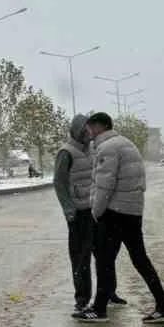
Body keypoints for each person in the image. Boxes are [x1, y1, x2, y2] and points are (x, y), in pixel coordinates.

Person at [78, 112, 164, 324]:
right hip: (132, 211)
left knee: (104, 260)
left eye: (89, 128)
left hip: (114, 214)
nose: (87, 132)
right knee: (139, 259)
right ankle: (163, 305)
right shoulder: (126, 144)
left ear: (98, 127)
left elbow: (104, 185)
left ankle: (99, 310)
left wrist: (96, 212)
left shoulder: (107, 148)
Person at [53, 115, 96, 311]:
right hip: (78, 214)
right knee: (80, 258)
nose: (89, 133)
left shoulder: (92, 149)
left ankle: (108, 292)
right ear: (78, 131)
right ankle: (82, 299)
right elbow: (59, 183)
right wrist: (69, 210)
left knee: (104, 255)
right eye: (86, 130)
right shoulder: (66, 152)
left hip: (96, 209)